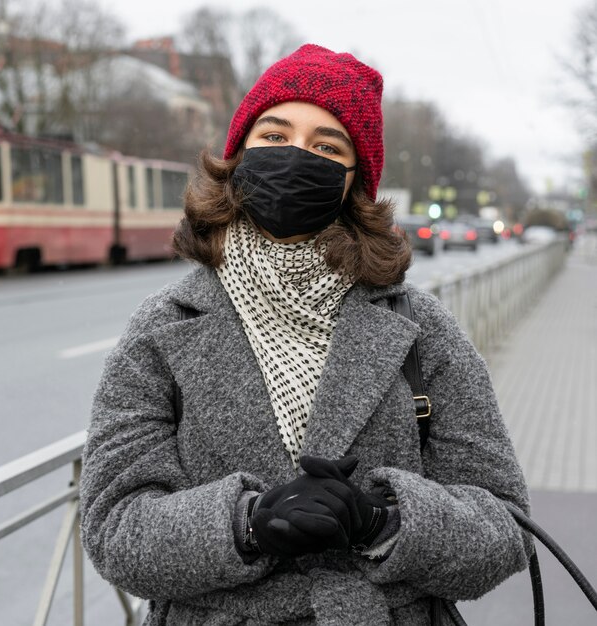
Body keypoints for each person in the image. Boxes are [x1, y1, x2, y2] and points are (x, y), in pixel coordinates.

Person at [80, 44, 531, 626]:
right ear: (238, 155)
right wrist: (247, 525)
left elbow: (506, 530)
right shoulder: (166, 324)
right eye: (274, 136)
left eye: (326, 146)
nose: (295, 157)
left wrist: (385, 521)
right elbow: (114, 526)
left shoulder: (423, 329)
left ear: (352, 181)